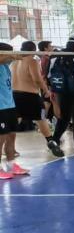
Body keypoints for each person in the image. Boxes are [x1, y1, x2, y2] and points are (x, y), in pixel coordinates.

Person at [11, 41, 62, 156]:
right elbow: (37, 80)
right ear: (33, 50)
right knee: (41, 119)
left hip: (15, 95)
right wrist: (46, 91)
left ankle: (11, 148)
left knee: (15, 122)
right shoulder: (32, 61)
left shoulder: (13, 63)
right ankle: (51, 142)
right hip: (30, 96)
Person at [48, 39, 74, 157]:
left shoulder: (55, 57)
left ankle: (54, 140)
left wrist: (53, 90)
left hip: (61, 92)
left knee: (63, 118)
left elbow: (49, 76)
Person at [0, 43, 28, 180]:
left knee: (11, 136)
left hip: (9, 106)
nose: (11, 56)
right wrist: (11, 55)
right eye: (8, 53)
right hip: (0, 108)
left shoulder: (6, 66)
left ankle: (11, 166)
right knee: (1, 139)